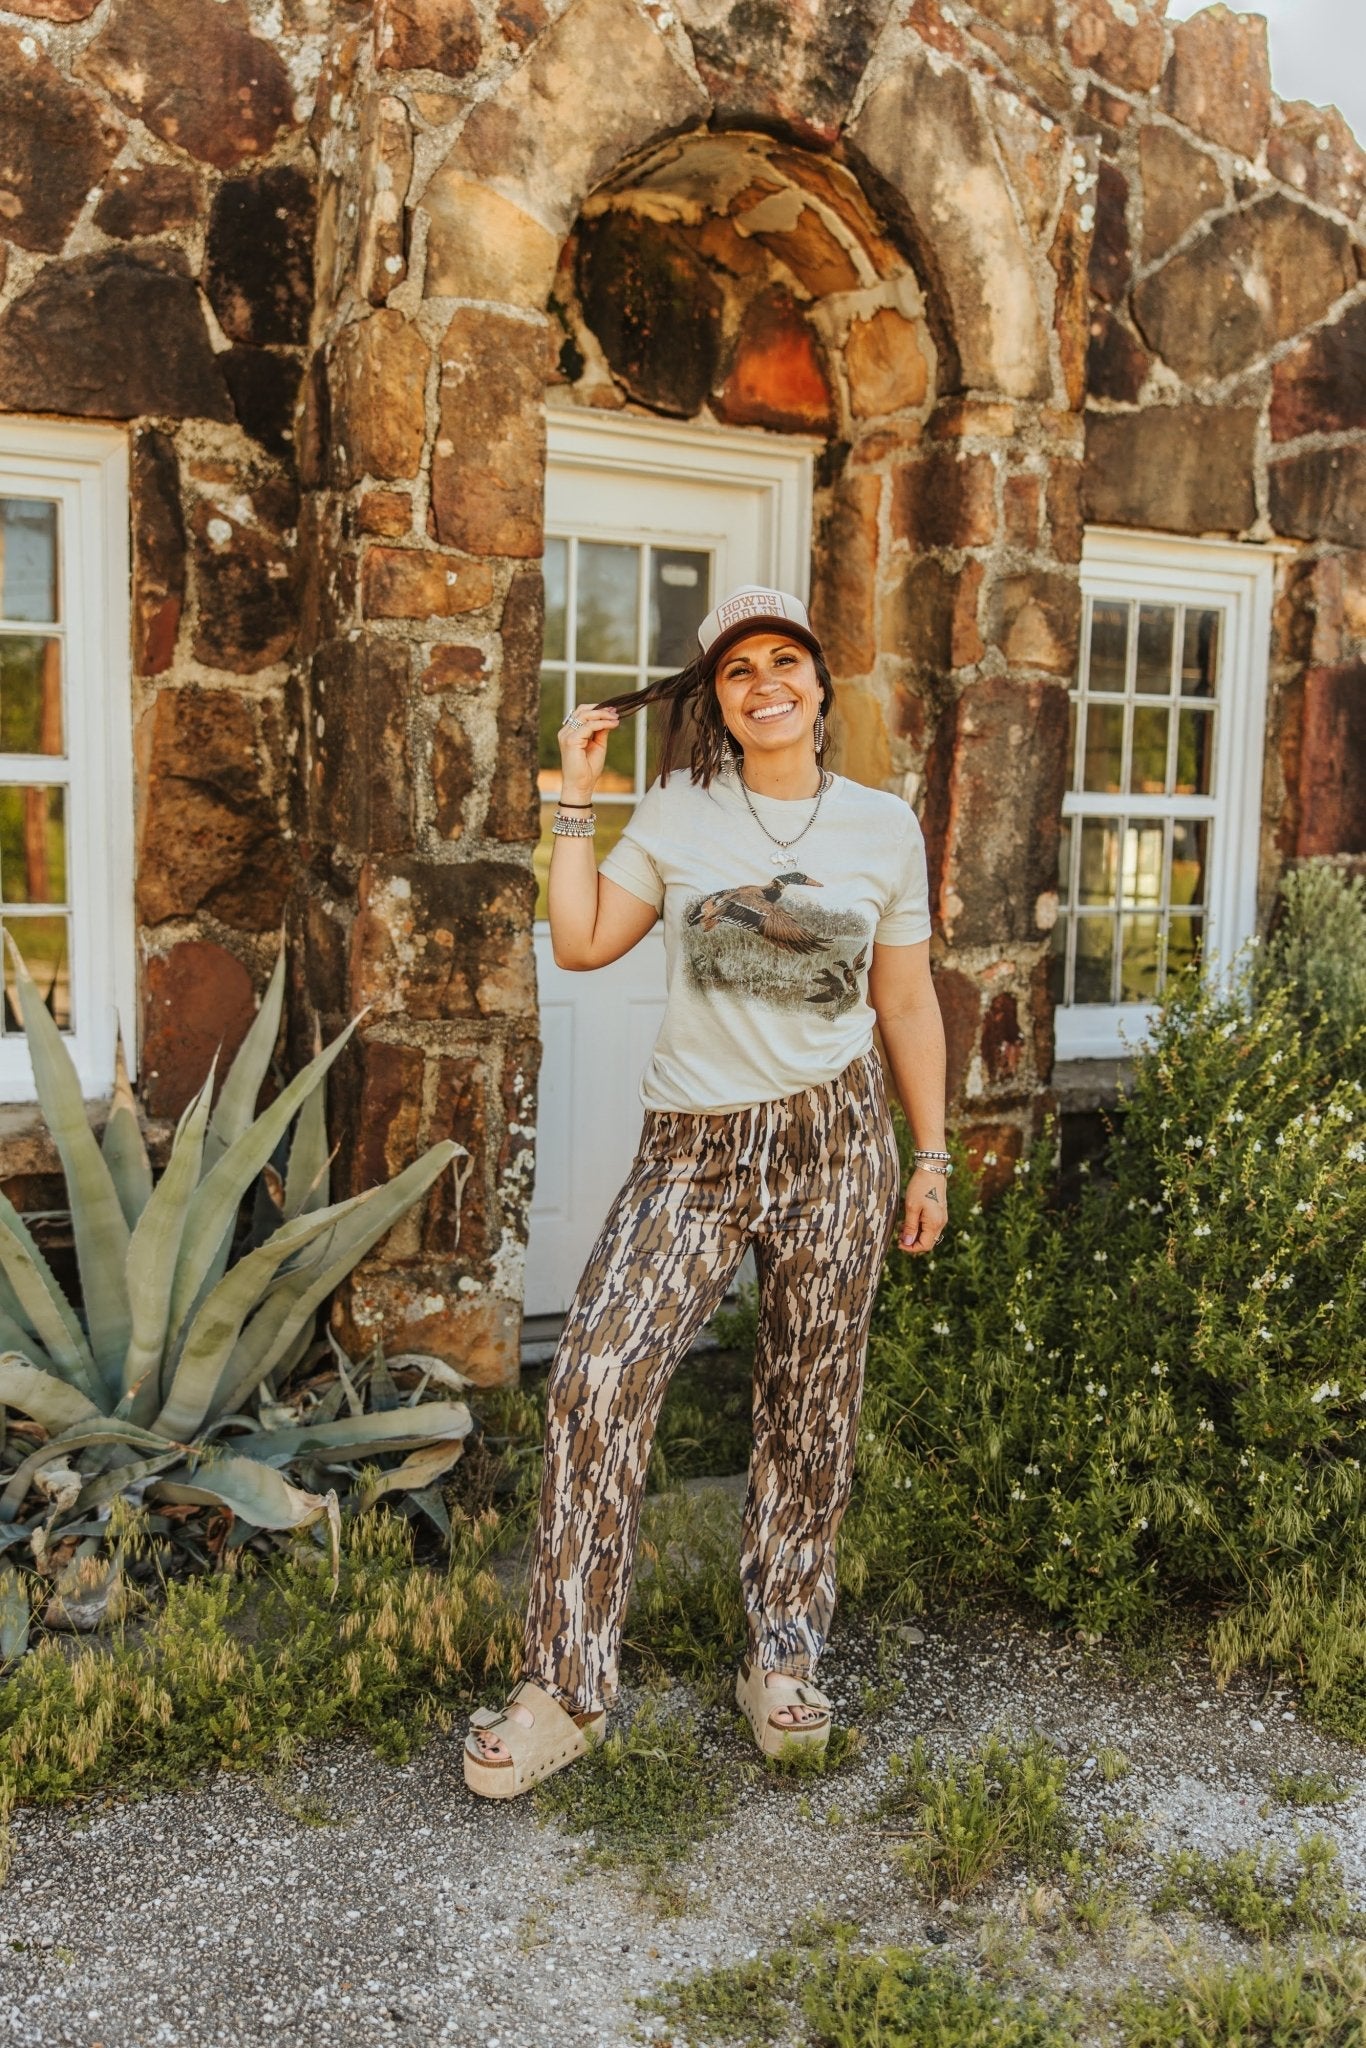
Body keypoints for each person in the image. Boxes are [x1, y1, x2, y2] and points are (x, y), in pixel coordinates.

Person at [464, 586, 949, 1799]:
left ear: (819, 684)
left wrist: (930, 1153)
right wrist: (576, 798)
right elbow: (583, 942)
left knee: (810, 1402)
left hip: (836, 1140)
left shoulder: (883, 825)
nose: (764, 682)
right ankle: (566, 1687)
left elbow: (903, 1000)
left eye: (785, 660)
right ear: (717, 699)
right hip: (692, 1149)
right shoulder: (678, 808)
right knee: (596, 1374)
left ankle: (781, 1655)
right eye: (738, 669)